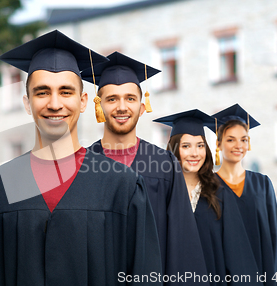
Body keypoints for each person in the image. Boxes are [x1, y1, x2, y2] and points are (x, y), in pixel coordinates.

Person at [0, 30, 162, 286]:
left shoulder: (124, 187)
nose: (54, 104)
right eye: (42, 93)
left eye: (66, 92)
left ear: (83, 101)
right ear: (27, 103)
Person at [83, 52, 208, 285]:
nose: (122, 107)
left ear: (142, 107)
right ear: (98, 106)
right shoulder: (81, 165)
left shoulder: (165, 165)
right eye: (112, 99)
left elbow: (182, 244)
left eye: (130, 98)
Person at [213, 103, 277, 285]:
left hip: (261, 274)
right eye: (230, 139)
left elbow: (274, 235)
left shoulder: (262, 184)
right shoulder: (208, 187)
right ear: (218, 143)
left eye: (244, 139)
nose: (238, 145)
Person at [155, 109, 227, 285]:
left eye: (200, 145)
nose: (195, 153)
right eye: (186, 146)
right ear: (173, 149)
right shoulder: (160, 192)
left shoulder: (220, 192)